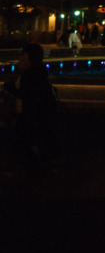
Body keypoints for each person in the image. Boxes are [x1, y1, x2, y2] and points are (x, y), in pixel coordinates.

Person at [3, 43, 60, 177]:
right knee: (28, 140)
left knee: (23, 139)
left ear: (30, 59)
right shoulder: (38, 72)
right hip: (38, 114)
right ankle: (40, 165)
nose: (19, 60)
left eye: (23, 58)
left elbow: (25, 93)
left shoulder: (31, 75)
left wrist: (8, 87)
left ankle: (29, 169)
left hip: (32, 114)